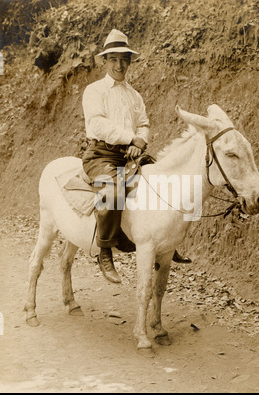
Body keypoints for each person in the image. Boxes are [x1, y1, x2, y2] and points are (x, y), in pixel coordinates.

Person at [82, 29, 191, 284]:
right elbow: (98, 125)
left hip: (130, 154)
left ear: (129, 61)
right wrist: (130, 138)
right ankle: (105, 249)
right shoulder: (94, 91)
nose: (120, 65)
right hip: (100, 154)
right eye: (114, 59)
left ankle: (166, 242)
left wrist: (139, 142)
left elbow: (143, 123)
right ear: (105, 60)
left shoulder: (134, 95)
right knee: (112, 189)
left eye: (124, 59)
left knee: (163, 179)